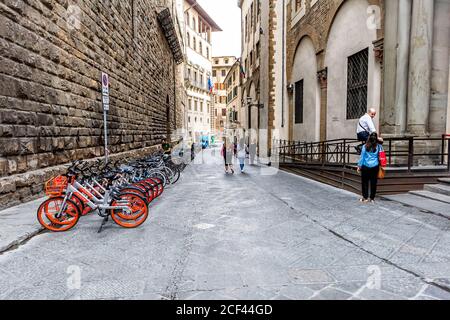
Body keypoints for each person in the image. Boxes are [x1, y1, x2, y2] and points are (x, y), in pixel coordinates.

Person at [357, 132, 383, 203]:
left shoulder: (365, 146)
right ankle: (372, 199)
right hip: (375, 166)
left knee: (365, 182)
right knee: (373, 182)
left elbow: (362, 157)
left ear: (369, 138)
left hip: (365, 166)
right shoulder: (379, 146)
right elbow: (381, 154)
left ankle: (365, 198)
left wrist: (359, 166)